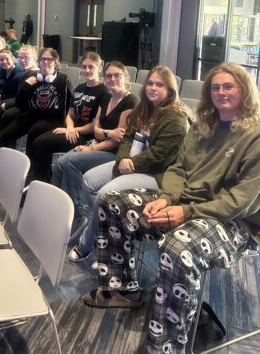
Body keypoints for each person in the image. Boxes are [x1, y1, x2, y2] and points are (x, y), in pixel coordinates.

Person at [83, 62, 260, 354]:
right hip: (186, 202)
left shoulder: (254, 135)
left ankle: (166, 346)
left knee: (179, 248)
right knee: (114, 202)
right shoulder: (204, 125)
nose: (220, 92)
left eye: (228, 86)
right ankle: (123, 289)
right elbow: (178, 169)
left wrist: (186, 212)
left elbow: (242, 201)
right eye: (215, 87)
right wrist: (166, 199)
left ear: (245, 90)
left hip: (235, 222)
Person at [69, 65, 192, 262]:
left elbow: (160, 155)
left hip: (158, 174)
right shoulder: (144, 108)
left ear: (170, 90)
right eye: (150, 83)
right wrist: (123, 159)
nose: (152, 88)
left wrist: (131, 164)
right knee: (89, 180)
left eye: (159, 85)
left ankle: (88, 243)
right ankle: (108, 232)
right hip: (130, 162)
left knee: (103, 194)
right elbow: (127, 138)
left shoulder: (176, 118)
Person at [52, 61, 137, 238]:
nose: (112, 79)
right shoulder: (107, 97)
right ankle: (59, 210)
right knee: (60, 163)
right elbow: (96, 129)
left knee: (72, 162)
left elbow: (118, 140)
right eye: (109, 76)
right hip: (99, 145)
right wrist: (105, 134)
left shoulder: (130, 101)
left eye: (117, 75)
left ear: (125, 77)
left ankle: (76, 217)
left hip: (115, 153)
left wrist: (92, 147)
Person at [28, 52, 108, 183]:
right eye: (84, 67)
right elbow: (70, 113)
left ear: (99, 69)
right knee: (39, 140)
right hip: (72, 131)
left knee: (41, 143)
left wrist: (73, 130)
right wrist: (70, 127)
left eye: (91, 67)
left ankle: (42, 183)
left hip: (86, 137)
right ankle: (41, 180)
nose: (87, 70)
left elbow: (95, 126)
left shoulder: (103, 92)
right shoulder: (80, 88)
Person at [0, 47, 72, 152]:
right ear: (39, 61)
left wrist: (68, 125)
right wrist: (25, 86)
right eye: (43, 59)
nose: (46, 62)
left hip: (52, 119)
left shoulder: (63, 80)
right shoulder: (31, 77)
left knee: (34, 132)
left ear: (55, 62)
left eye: (50, 59)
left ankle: (29, 165)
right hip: (33, 114)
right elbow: (19, 103)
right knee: (6, 134)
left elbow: (69, 105)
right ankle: (4, 159)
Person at [0, 45, 38, 131]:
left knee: (6, 114)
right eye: (20, 57)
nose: (22, 60)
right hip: (20, 102)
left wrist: (7, 104)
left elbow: (24, 99)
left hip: (28, 107)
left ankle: (0, 139)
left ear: (34, 59)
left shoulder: (34, 75)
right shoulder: (27, 73)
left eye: (26, 58)